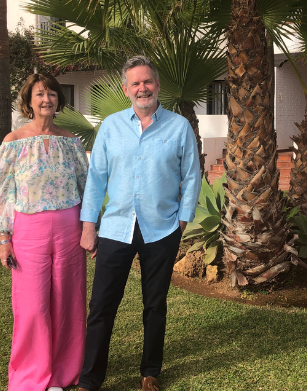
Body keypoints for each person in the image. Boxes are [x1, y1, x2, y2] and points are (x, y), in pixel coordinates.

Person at [77, 55, 200, 391]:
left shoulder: (179, 127)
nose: (142, 88)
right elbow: (96, 178)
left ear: (157, 85)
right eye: (136, 83)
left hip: (161, 229)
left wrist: (182, 221)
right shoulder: (111, 126)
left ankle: (150, 372)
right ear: (126, 89)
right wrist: (88, 226)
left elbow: (191, 176)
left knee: (155, 304)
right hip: (115, 228)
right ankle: (90, 379)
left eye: (147, 81)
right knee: (101, 305)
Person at [0, 73, 89, 391]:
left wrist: (91, 228)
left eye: (52, 94)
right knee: (32, 305)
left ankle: (62, 374)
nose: (47, 99)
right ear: (28, 101)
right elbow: (1, 192)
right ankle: (32, 376)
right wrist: (4, 238)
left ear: (59, 100)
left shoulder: (71, 141)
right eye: (40, 94)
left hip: (70, 230)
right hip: (29, 232)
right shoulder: (13, 141)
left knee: (68, 301)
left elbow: (87, 188)